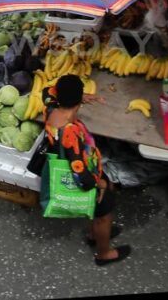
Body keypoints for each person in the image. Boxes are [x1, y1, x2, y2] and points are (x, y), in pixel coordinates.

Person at [42, 74, 130, 266]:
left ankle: (93, 235)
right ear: (77, 100)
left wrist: (80, 96)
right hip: (87, 175)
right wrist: (101, 185)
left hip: (72, 163)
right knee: (103, 215)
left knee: (97, 211)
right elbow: (81, 175)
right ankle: (103, 253)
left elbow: (46, 90)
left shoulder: (49, 109)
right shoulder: (70, 133)